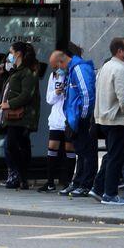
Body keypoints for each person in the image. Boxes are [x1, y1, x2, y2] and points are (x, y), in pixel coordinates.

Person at [0, 42, 40, 190]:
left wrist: (9, 104)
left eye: (11, 52)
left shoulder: (27, 72)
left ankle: (21, 176)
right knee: (17, 146)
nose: (9, 55)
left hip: (22, 117)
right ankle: (21, 178)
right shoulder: (14, 72)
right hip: (12, 117)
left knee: (13, 145)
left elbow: (27, 95)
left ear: (18, 54)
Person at [93, 38, 124, 205]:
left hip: (103, 118)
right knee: (116, 157)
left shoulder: (105, 67)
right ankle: (110, 194)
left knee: (111, 156)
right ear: (120, 51)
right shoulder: (120, 69)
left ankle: (98, 188)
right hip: (117, 119)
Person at [56, 45, 97, 196]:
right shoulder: (72, 70)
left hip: (81, 118)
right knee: (81, 151)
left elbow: (86, 95)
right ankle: (78, 181)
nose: (58, 68)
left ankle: (86, 184)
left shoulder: (79, 69)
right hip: (75, 118)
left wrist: (83, 117)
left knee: (87, 152)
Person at [39, 51, 75, 192]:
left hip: (69, 118)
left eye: (57, 65)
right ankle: (50, 182)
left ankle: (68, 181)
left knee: (69, 149)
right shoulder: (54, 76)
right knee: (52, 148)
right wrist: (57, 92)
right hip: (56, 118)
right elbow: (49, 99)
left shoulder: (73, 74)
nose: (56, 69)